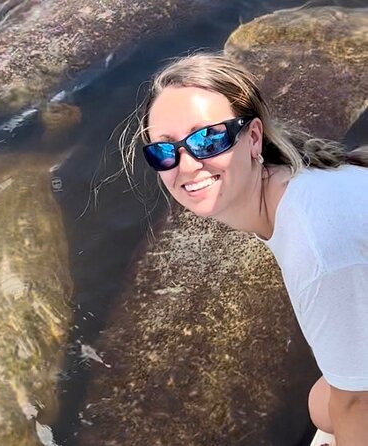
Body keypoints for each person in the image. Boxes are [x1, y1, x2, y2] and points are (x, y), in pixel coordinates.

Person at [121, 52, 368, 444]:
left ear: (253, 137)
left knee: (340, 404)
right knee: (322, 404)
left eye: (207, 138)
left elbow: (358, 404)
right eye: (164, 151)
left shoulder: (317, 247)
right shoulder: (292, 184)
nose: (185, 166)